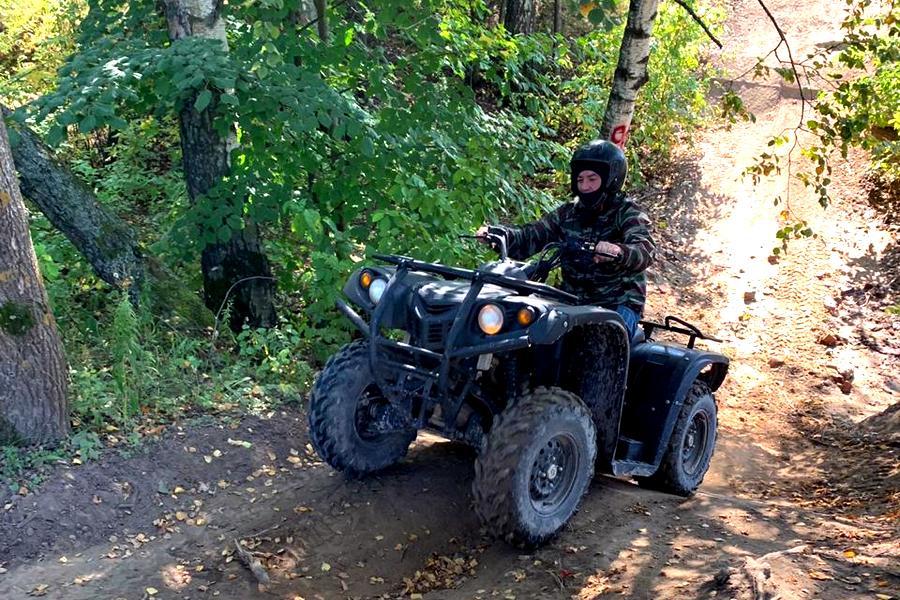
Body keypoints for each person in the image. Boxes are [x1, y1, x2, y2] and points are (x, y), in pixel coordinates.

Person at [477, 139, 655, 338]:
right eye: (580, 180)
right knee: (525, 330)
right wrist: (496, 235)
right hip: (571, 300)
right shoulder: (568, 214)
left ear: (610, 180)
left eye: (592, 179)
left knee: (600, 342)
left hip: (616, 303)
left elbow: (644, 250)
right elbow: (530, 236)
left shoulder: (628, 213)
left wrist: (618, 251)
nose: (585, 186)